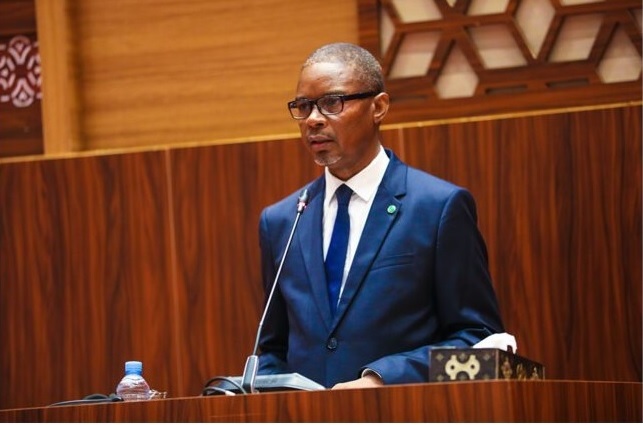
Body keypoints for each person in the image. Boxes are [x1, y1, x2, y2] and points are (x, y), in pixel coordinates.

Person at [256, 42, 505, 389]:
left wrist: (380, 379)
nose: (313, 119)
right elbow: (273, 349)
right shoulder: (282, 220)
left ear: (378, 107)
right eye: (303, 106)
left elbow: (478, 338)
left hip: (403, 409)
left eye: (332, 103)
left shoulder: (438, 208)